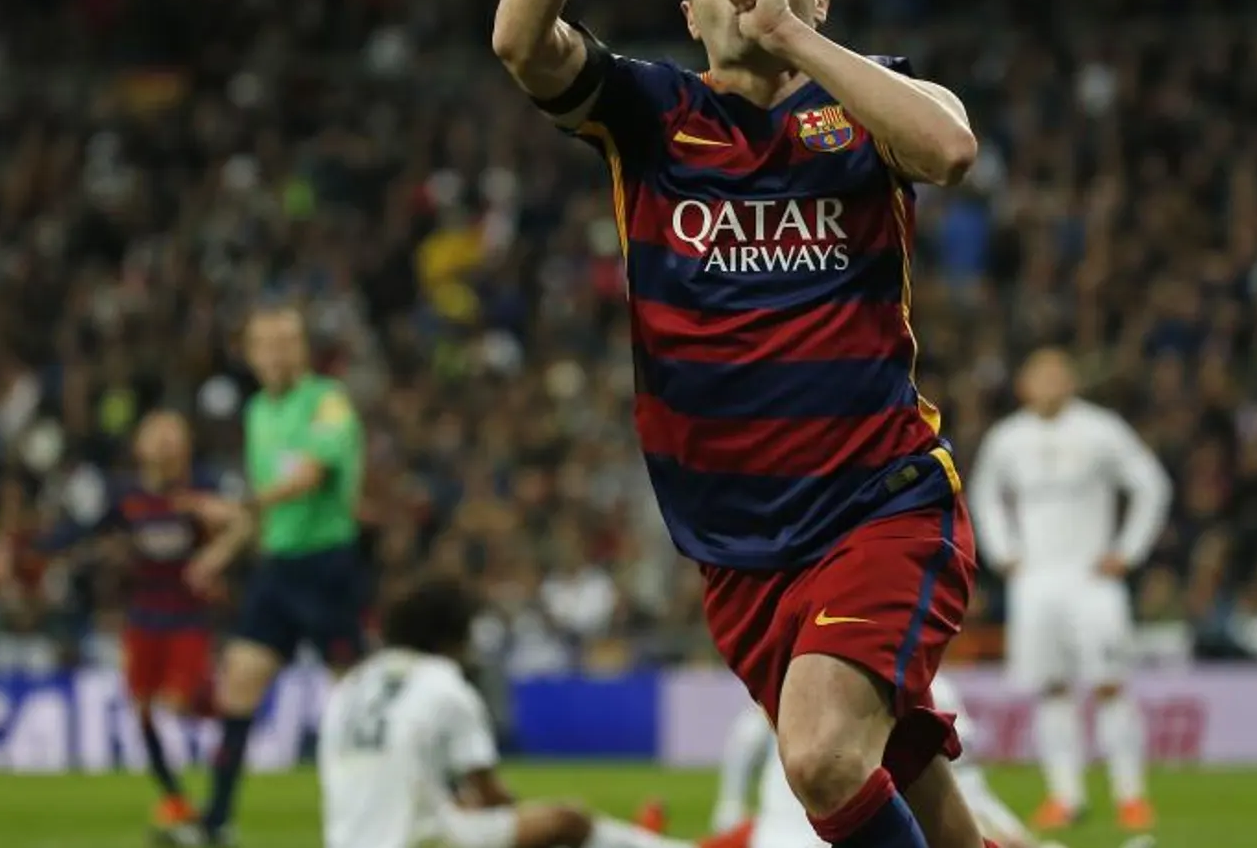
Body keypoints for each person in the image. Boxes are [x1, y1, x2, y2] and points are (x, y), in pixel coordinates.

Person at [493, 0, 985, 848]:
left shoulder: (868, 102)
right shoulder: (655, 115)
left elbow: (948, 150)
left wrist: (798, 45)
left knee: (818, 758)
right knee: (923, 810)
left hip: (878, 502)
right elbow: (521, 42)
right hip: (736, 550)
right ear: (688, 14)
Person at [0, 410, 248, 836]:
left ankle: (232, 717)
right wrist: (17, 554)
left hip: (188, 618)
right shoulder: (127, 497)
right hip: (144, 617)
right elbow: (77, 533)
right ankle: (175, 798)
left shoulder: (206, 486)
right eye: (155, 435)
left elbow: (242, 521)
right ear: (140, 447)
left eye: (172, 435)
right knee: (141, 712)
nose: (164, 444)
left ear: (186, 445)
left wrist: (217, 542)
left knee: (176, 705)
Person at [320, 572, 699, 848]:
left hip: (348, 838)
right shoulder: (442, 683)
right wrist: (523, 812)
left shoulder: (352, 685)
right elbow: (489, 796)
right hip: (421, 838)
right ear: (451, 634)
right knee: (565, 822)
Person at [966, 349, 1172, 833]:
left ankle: (1131, 795)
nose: (1050, 384)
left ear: (1072, 381)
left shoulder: (1101, 429)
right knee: (1051, 689)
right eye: (1040, 376)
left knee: (1109, 684)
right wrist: (1004, 554)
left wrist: (1128, 550)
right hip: (1034, 582)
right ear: (1024, 385)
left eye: (1058, 375)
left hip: (1092, 580)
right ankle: (1066, 796)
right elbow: (984, 495)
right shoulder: (1007, 438)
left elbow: (1151, 485)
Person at [188, 305, 369, 845]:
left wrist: (237, 502)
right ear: (249, 354)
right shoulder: (257, 414)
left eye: (288, 341)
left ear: (304, 348)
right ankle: (216, 820)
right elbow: (264, 505)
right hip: (277, 568)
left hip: (327, 565)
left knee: (354, 697)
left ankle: (379, 809)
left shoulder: (328, 403)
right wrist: (219, 553)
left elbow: (309, 476)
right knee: (239, 682)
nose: (279, 352)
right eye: (267, 343)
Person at [704, 677, 1056, 848]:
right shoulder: (931, 688)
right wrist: (1012, 832)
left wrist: (728, 806)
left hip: (778, 836)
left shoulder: (799, 677)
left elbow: (745, 738)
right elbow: (966, 786)